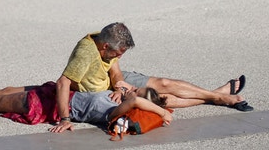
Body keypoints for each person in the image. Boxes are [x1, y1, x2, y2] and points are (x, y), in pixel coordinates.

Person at [51, 22, 251, 133]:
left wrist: (120, 86)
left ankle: (216, 96)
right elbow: (63, 82)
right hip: (102, 92)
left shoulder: (104, 39)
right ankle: (218, 96)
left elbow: (115, 71)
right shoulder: (85, 53)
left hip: (114, 84)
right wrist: (65, 119)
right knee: (158, 99)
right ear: (105, 47)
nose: (120, 56)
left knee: (163, 83)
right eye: (119, 52)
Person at [0, 70, 172, 132]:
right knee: (6, 90)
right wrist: (122, 90)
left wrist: (162, 113)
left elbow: (136, 104)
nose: (131, 89)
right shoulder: (118, 97)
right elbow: (133, 97)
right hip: (56, 93)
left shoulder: (115, 113)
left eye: (136, 91)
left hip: (49, 105)